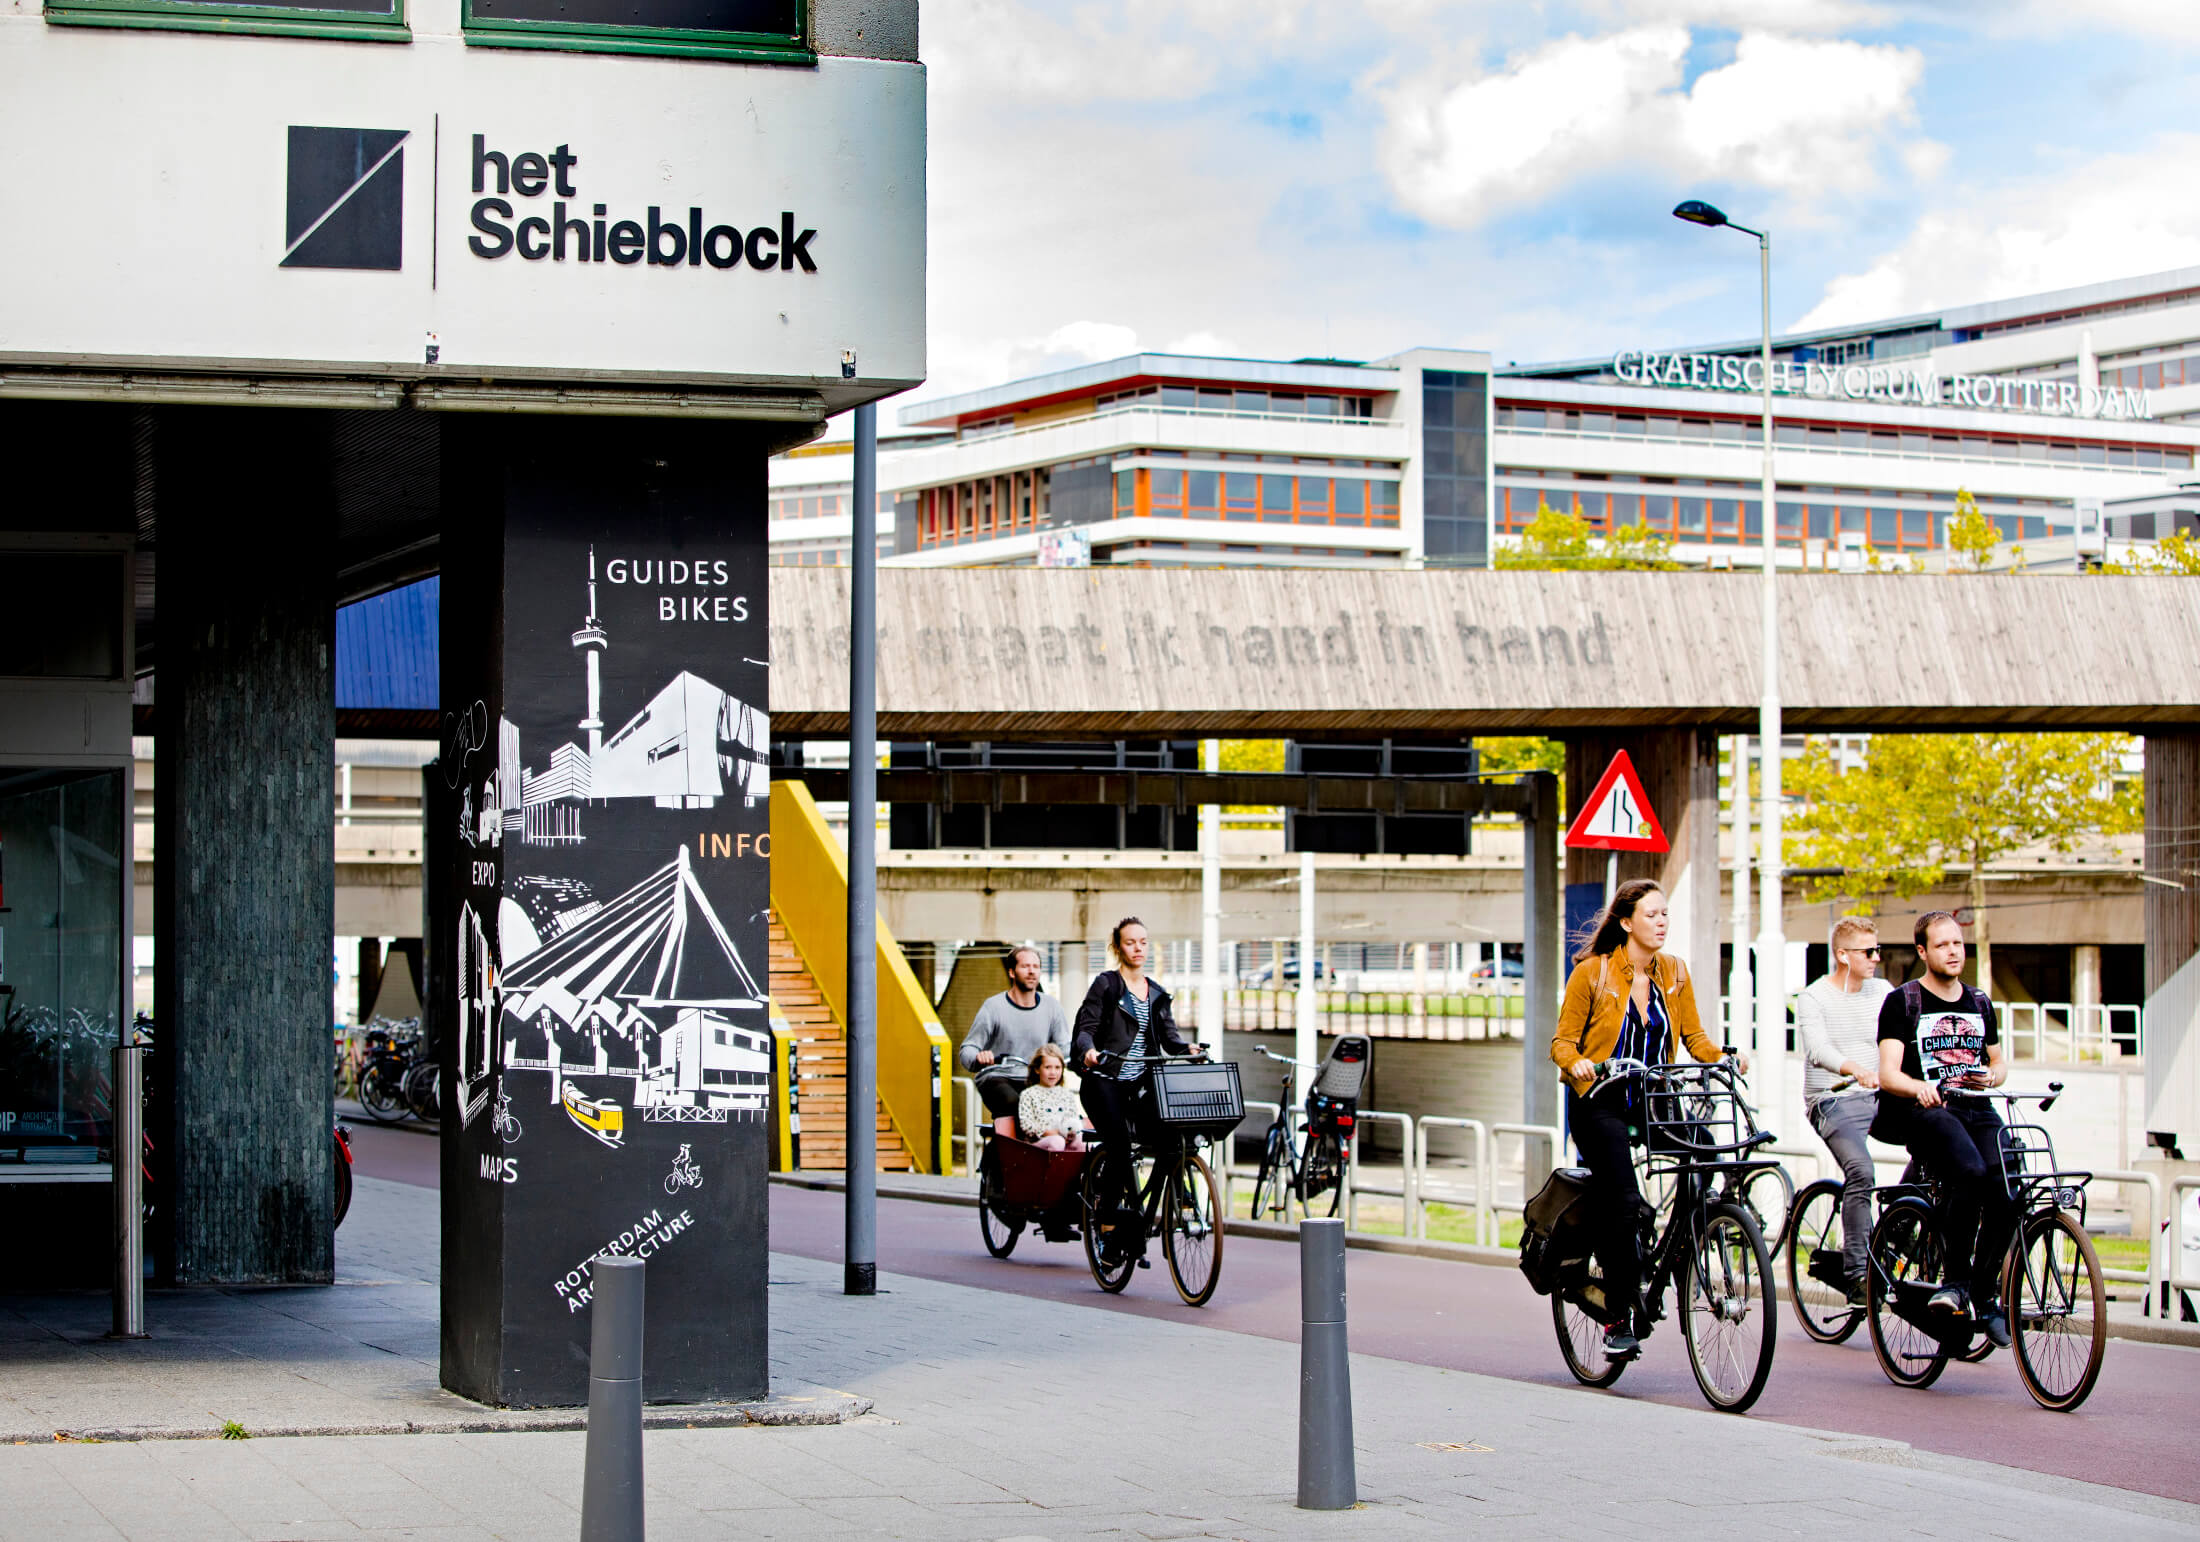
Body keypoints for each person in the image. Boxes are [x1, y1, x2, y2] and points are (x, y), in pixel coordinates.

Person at [1550, 879, 1746, 1361]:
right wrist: (1575, 1063)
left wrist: (1721, 1058)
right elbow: (1562, 1043)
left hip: (1653, 1095)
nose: (1661, 923)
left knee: (1706, 1153)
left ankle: (1685, 1242)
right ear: (1626, 921)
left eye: (1665, 916)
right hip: (1600, 1097)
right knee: (1623, 1199)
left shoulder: (1674, 972)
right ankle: (1618, 1317)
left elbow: (1695, 1035)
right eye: (1652, 915)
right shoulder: (1592, 974)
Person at [1873, 910, 2017, 1348]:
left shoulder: (1979, 1002)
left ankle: (1984, 1294)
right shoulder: (1903, 1002)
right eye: (1942, 945)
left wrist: (1992, 1077)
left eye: (1957, 943)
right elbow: (1887, 1074)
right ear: (1922, 952)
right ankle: (1954, 1283)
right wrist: (1922, 1088)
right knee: (1969, 1174)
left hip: (1976, 1107)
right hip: (1927, 1112)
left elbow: (1998, 1062)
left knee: (2011, 1184)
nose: (1953, 951)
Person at [1072, 916, 1199, 1263]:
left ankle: (1156, 1208)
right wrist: (1088, 1050)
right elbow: (1086, 1026)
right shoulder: (1107, 985)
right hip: (1103, 1081)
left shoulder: (1156, 993)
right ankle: (1110, 1222)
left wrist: (1187, 1049)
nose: (1138, 948)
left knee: (1173, 1135)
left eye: (1143, 942)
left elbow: (1169, 1040)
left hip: (1139, 1084)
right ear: (1118, 947)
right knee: (1120, 1147)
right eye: (1130, 942)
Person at [1797, 917, 1891, 1306]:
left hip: (1881, 1095)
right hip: (1833, 1100)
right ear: (1842, 955)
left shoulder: (1883, 990)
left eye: (1877, 950)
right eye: (1868, 952)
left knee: (1940, 1142)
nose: (1876, 959)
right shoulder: (1814, 997)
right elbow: (1818, 1049)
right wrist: (1856, 1069)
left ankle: (1897, 1236)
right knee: (1861, 1171)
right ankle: (1857, 1275)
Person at [958, 945, 1071, 1138]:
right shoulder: (993, 1007)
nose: (1031, 971)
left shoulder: (1052, 1007)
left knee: (1061, 1111)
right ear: (1012, 972)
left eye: (1036, 966)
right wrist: (979, 1057)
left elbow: (1065, 1049)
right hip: (998, 1076)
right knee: (1016, 1104)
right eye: (1025, 966)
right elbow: (966, 1051)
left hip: (1035, 1079)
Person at [1018, 1043, 1085, 1152]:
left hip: (1065, 1140)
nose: (1053, 1072)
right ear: (1037, 1069)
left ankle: (1077, 1168)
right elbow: (1027, 1125)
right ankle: (1055, 1168)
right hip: (1039, 1143)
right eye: (1048, 1067)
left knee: (1081, 1141)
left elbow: (1072, 1119)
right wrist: (1051, 1133)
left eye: (1057, 1067)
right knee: (1057, 1142)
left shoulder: (1067, 1094)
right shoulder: (1028, 1094)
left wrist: (1070, 1133)